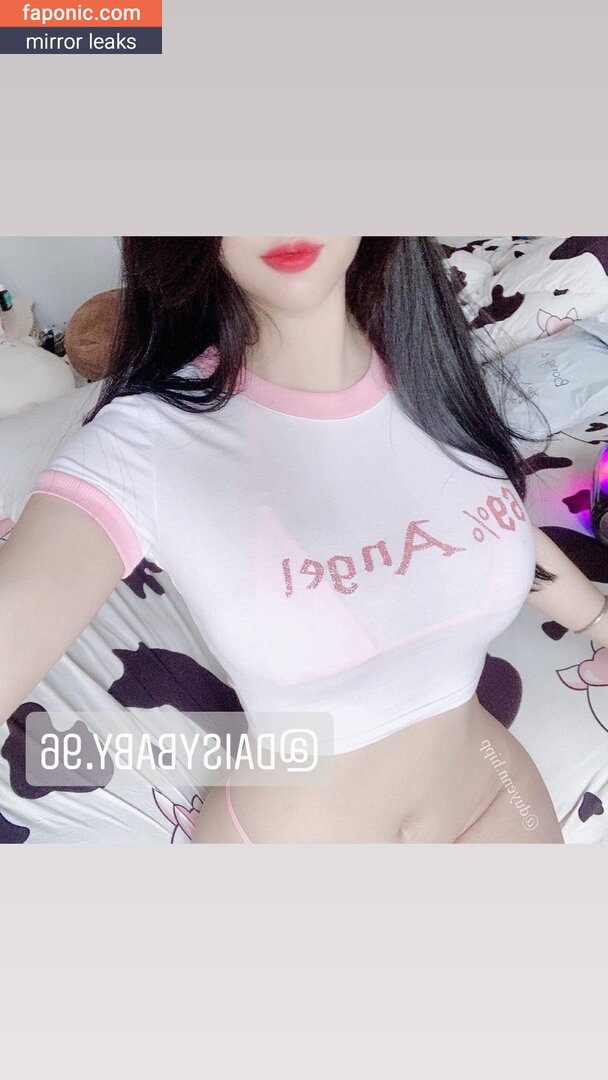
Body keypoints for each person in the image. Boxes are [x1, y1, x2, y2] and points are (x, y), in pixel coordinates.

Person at [1, 236, 605, 844]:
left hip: (495, 797)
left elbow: (483, 521)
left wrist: (599, 622)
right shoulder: (142, 444)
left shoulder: (430, 358)